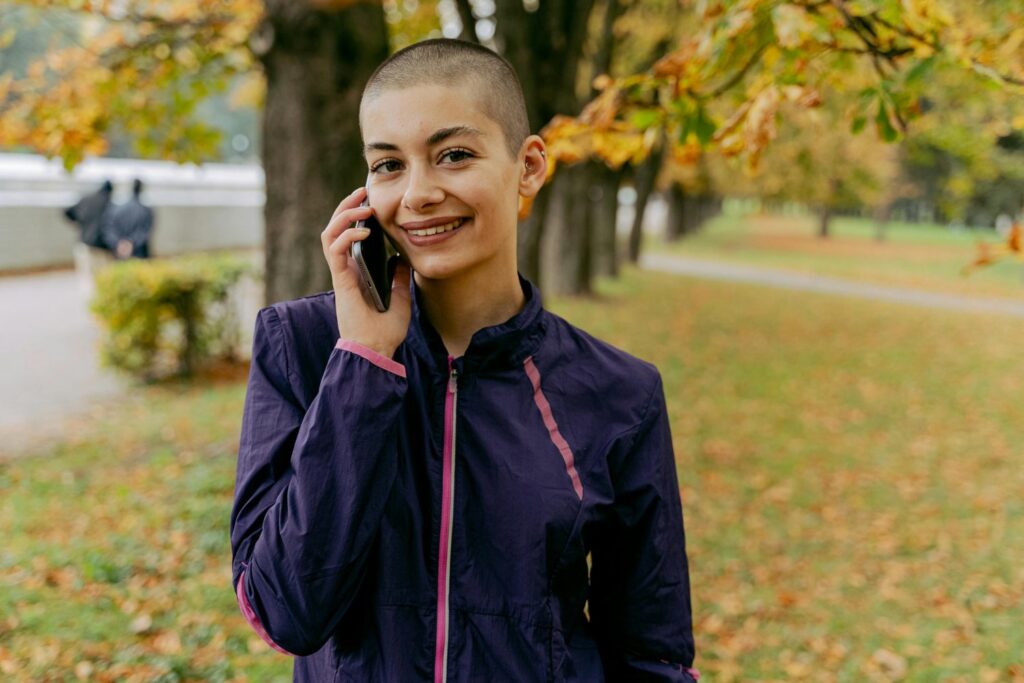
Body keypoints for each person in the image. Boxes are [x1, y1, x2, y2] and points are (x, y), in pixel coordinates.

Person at [230, 38, 699, 682]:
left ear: (529, 166)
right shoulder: (303, 348)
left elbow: (653, 652)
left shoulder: (621, 393)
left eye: (454, 155)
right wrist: (364, 360)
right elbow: (286, 613)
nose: (418, 194)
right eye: (388, 165)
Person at [104, 178, 155, 260]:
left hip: (119, 251)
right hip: (139, 252)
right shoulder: (146, 210)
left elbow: (109, 227)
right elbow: (146, 231)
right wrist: (131, 243)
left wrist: (118, 243)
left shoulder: (117, 208)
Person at [63, 179, 114, 251]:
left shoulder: (86, 199)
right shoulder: (107, 202)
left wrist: (77, 221)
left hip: (85, 242)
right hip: (101, 245)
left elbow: (67, 211)